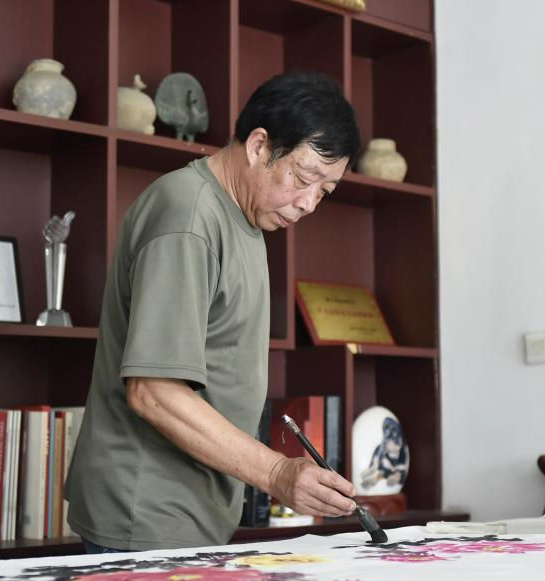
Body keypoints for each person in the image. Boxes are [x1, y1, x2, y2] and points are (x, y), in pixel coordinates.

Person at [65, 72, 362, 552]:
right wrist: (278, 472)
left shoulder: (244, 217)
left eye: (324, 191)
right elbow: (154, 392)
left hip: (187, 514)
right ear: (259, 146)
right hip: (146, 515)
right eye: (304, 178)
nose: (309, 203)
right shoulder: (188, 216)